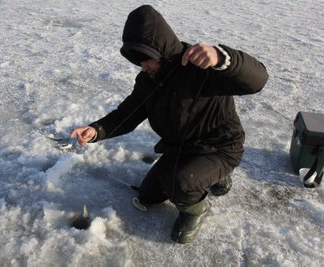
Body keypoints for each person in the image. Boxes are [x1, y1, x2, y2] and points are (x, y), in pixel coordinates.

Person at [70, 5, 268, 244]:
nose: (143, 66)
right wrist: (96, 130)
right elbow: (128, 113)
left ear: (161, 50)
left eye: (147, 59)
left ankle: (197, 207)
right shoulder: (148, 79)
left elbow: (257, 80)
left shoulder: (202, 68)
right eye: (137, 59)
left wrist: (221, 57)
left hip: (220, 148)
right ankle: (208, 176)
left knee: (182, 183)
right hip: (182, 149)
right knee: (148, 195)